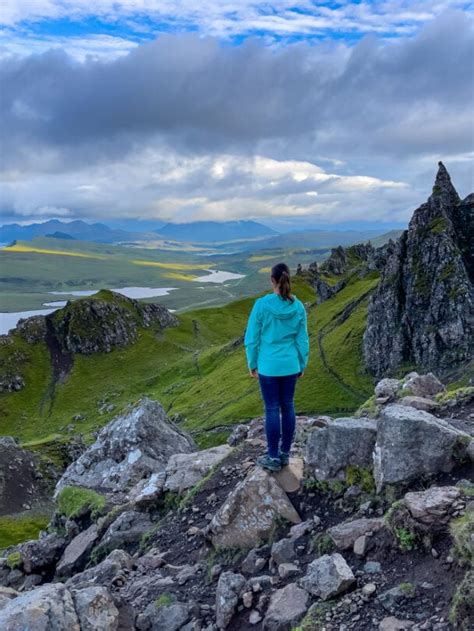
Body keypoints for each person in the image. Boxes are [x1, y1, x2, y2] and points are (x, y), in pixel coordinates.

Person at [244, 262, 309, 472]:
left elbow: (252, 338)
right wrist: (302, 363)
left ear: (272, 280)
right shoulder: (298, 307)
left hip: (268, 366)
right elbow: (302, 340)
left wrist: (252, 363)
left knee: (271, 408)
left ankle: (272, 456)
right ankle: (284, 455)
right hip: (290, 364)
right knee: (288, 406)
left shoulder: (261, 305)